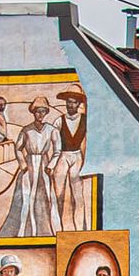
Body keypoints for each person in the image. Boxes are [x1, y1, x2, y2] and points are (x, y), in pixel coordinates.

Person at [0, 96, 59, 237]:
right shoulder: (26, 130)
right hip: (30, 164)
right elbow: (18, 148)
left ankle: (47, 231)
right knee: (26, 196)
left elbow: (57, 150)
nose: (40, 114)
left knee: (45, 197)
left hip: (44, 164)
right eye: (37, 111)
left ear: (46, 113)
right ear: (33, 112)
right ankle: (23, 231)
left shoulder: (52, 130)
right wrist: (23, 164)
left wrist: (51, 166)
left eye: (43, 111)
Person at [53, 88, 87, 230]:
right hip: (63, 155)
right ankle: (58, 228)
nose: (70, 105)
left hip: (77, 155)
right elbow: (54, 144)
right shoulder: (59, 121)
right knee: (58, 193)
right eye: (68, 102)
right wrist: (52, 163)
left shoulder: (85, 120)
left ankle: (79, 228)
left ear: (78, 104)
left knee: (77, 195)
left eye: (73, 103)